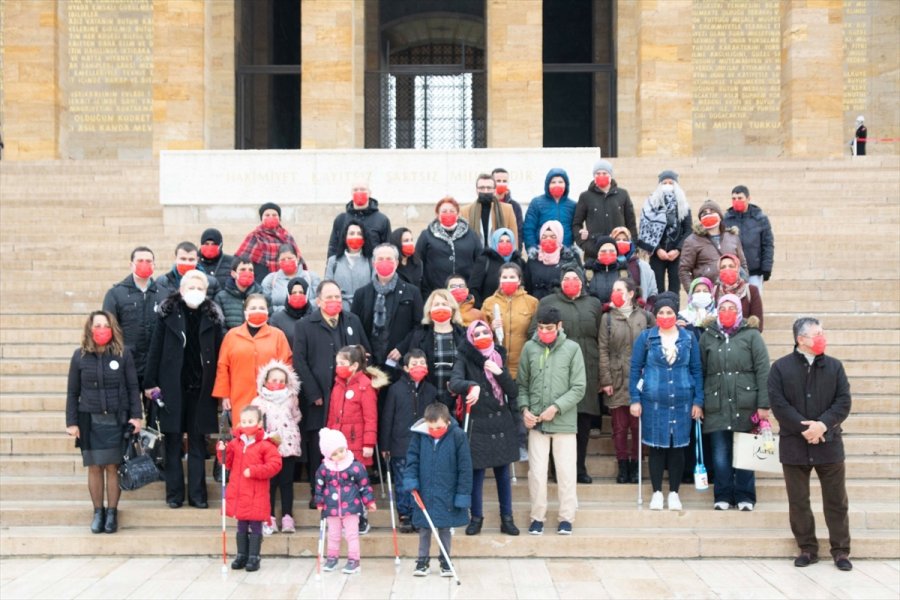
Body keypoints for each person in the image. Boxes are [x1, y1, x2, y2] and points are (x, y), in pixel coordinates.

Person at [768, 317, 853, 571]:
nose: (822, 338)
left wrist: (822, 425)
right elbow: (778, 404)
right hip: (794, 444)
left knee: (836, 501)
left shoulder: (835, 367)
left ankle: (841, 551)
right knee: (798, 501)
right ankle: (807, 548)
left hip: (829, 442)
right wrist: (804, 428)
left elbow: (843, 401)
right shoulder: (780, 368)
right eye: (817, 334)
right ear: (801, 339)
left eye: (822, 333)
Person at [144, 270, 225, 509]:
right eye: (191, 287)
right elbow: (155, 349)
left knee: (198, 443)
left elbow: (219, 354)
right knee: (173, 442)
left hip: (201, 390)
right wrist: (149, 382)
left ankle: (198, 495)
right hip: (172, 388)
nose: (195, 291)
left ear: (206, 291)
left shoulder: (213, 317)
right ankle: (174, 494)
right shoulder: (167, 314)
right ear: (181, 290)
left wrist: (220, 389)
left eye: (200, 288)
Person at [292, 280, 371, 508]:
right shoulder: (305, 325)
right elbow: (300, 361)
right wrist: (313, 392)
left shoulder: (352, 320)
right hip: (319, 397)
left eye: (337, 297)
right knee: (319, 445)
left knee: (345, 443)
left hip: (349, 397)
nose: (334, 301)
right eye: (329, 297)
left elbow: (365, 353)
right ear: (318, 301)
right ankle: (318, 492)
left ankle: (348, 490)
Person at [65, 311, 143, 534]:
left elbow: (133, 387)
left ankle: (112, 513)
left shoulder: (123, 354)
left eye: (105, 325)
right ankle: (98, 512)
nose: (101, 330)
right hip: (89, 420)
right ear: (90, 329)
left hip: (117, 419)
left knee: (112, 467)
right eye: (97, 325)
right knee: (94, 467)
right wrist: (71, 422)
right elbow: (73, 392)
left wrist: (136, 416)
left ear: (112, 329)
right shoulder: (79, 356)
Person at [629, 291, 704, 511]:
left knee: (677, 448)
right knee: (656, 447)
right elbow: (635, 369)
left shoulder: (688, 338)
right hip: (653, 401)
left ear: (676, 313)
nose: (665, 316)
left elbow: (697, 369)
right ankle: (656, 493)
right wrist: (635, 399)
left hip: (682, 401)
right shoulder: (646, 338)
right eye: (661, 312)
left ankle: (674, 493)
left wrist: (698, 401)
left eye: (669, 312)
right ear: (655, 315)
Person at [517, 305, 585, 535]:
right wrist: (525, 409)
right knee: (536, 474)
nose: (544, 332)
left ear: (559, 326)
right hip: (537, 423)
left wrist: (556, 407)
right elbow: (522, 384)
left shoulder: (572, 349)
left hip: (564, 423)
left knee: (566, 473)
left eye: (549, 328)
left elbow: (579, 387)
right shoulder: (529, 348)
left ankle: (566, 518)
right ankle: (537, 517)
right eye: (540, 327)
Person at [532, 267, 603, 484]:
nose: (571, 281)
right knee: (558, 418)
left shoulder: (594, 304)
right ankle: (556, 469)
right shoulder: (548, 302)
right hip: (557, 369)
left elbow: (601, 336)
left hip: (588, 367)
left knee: (583, 421)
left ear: (582, 281)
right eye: (567, 278)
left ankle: (579, 469)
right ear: (560, 282)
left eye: (575, 278)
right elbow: (535, 333)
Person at [449, 320, 520, 537]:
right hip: (478, 424)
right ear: (470, 338)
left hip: (501, 422)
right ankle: (476, 518)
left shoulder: (499, 355)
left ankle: (507, 519)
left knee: (503, 475)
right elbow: (454, 382)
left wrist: (499, 372)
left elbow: (512, 391)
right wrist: (473, 385)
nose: (481, 336)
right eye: (476, 334)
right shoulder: (463, 356)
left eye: (485, 332)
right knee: (476, 475)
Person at [700, 295, 770, 511]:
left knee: (746, 454)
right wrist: (699, 402)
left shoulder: (752, 335)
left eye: (732, 307)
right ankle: (722, 495)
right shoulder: (707, 336)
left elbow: (763, 369)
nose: (727, 312)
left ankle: (745, 496)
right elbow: (700, 370)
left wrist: (764, 404)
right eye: (723, 308)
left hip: (746, 403)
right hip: (716, 403)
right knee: (720, 454)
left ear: (739, 310)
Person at [404, 402, 473, 577]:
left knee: (444, 527)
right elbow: (412, 460)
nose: (435, 431)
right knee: (424, 527)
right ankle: (422, 561)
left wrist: (462, 494)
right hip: (425, 491)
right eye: (431, 427)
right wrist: (411, 480)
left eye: (439, 427)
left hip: (447, 491)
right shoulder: (419, 436)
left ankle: (445, 560)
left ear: (448, 422)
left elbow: (465, 468)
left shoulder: (458, 436)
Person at [599, 278, 655, 485]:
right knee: (619, 428)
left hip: (641, 379)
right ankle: (623, 465)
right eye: (614, 289)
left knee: (638, 426)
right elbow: (603, 350)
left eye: (620, 289)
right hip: (616, 378)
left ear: (631, 293)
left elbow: (654, 346)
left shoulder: (646, 316)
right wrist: (605, 379)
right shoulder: (607, 318)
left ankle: (637, 464)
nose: (615, 293)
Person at [327, 345, 387, 534]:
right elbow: (332, 415)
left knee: (355, 482)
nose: (338, 366)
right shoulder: (338, 384)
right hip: (339, 444)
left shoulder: (365, 386)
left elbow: (371, 418)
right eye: (337, 363)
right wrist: (328, 439)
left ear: (353, 365)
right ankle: (344, 517)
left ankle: (361, 517)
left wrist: (368, 443)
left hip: (357, 443)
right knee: (339, 482)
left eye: (342, 363)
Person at [212, 293, 292, 430]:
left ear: (267, 311)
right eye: (253, 308)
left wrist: (283, 392)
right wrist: (224, 395)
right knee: (242, 434)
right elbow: (223, 366)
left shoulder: (278, 335)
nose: (257, 311)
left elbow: (286, 365)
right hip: (239, 396)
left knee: (269, 436)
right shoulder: (232, 336)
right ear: (245, 311)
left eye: (261, 308)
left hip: (272, 398)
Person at [380, 349, 438, 534]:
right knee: (403, 481)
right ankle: (404, 514)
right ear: (405, 368)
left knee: (422, 480)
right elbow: (387, 417)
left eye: (422, 363)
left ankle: (418, 514)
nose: (418, 367)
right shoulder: (395, 389)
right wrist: (385, 445)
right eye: (414, 364)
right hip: (399, 444)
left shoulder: (431, 390)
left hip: (425, 444)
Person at [219, 405, 282, 572]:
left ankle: (254, 556)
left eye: (251, 421)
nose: (247, 425)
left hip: (256, 493)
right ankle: (241, 554)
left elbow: (275, 464)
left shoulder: (266, 444)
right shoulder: (235, 443)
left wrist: (254, 471)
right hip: (239, 492)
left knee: (255, 524)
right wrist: (222, 451)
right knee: (241, 524)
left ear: (259, 423)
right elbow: (227, 463)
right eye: (244, 421)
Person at [350, 243, 423, 370]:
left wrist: (402, 348)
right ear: (374, 263)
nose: (385, 262)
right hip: (369, 362)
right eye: (380, 259)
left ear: (397, 262)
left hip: (400, 362)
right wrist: (360, 350)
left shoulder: (412, 292)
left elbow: (419, 326)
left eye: (389, 259)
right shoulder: (361, 294)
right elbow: (354, 326)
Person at [315, 428, 377, 575]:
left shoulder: (355, 466)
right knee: (333, 534)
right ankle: (332, 557)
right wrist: (319, 501)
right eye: (334, 454)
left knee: (352, 534)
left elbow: (364, 485)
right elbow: (319, 486)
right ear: (328, 455)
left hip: (351, 507)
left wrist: (369, 501)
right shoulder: (324, 468)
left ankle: (354, 560)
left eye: (341, 450)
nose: (339, 455)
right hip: (331, 508)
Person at [250, 360, 302, 535]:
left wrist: (289, 431)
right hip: (268, 449)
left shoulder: (291, 399)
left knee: (286, 483)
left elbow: (296, 416)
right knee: (270, 484)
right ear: (265, 381)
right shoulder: (258, 401)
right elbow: (254, 423)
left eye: (281, 381)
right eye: (274, 380)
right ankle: (269, 516)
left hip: (288, 446)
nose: (278, 384)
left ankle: (287, 517)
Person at [102, 246, 163, 394]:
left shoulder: (164, 294)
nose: (144, 264)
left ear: (154, 265)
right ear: (131, 265)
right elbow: (109, 329)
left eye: (148, 261)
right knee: (129, 409)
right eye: (140, 261)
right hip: (127, 366)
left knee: (157, 408)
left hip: (156, 368)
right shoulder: (115, 294)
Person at [396, 289, 467, 410]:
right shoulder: (419, 336)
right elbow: (412, 366)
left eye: (444, 304)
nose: (440, 307)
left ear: (453, 309)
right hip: (428, 397)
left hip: (458, 397)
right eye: (436, 304)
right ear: (429, 311)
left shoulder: (464, 335)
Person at [637, 170, 692, 294]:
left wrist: (678, 250)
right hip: (657, 253)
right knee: (657, 288)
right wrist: (657, 249)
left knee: (675, 289)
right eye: (664, 183)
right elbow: (646, 228)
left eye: (671, 183)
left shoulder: (683, 205)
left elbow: (688, 230)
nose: (667, 185)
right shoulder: (651, 204)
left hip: (676, 254)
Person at [481, 263, 539, 380]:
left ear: (519, 280)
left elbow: (536, 333)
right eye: (504, 277)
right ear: (499, 280)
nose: (508, 280)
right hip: (496, 365)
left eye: (512, 277)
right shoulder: (489, 302)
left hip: (523, 365)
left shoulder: (532, 302)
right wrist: (490, 328)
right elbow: (479, 331)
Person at [416, 197, 482, 296]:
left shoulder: (471, 235)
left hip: (465, 293)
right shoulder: (426, 235)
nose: (448, 214)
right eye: (444, 211)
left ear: (458, 214)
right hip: (436, 293)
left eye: (452, 211)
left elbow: (479, 261)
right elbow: (418, 261)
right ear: (437, 215)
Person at [678, 199, 748, 293]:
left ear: (720, 216)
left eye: (712, 211)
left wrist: (743, 285)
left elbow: (742, 264)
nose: (708, 214)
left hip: (733, 293)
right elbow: (684, 270)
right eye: (704, 213)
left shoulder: (732, 237)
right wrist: (694, 293)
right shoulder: (692, 241)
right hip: (707, 293)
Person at [573, 159, 637, 256]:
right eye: (598, 173)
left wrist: (632, 245)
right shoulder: (585, 196)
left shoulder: (623, 194)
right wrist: (584, 245)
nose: (601, 176)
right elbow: (576, 224)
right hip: (594, 252)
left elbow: (631, 223)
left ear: (610, 175)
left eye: (604, 173)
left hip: (619, 252)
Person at [723, 186, 774, 293]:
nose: (736, 201)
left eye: (740, 198)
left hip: (754, 272)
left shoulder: (760, 219)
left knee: (753, 300)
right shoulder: (726, 219)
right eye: (734, 198)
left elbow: (767, 244)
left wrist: (766, 268)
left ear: (748, 198)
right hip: (732, 272)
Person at [235, 202, 301, 284]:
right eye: (267, 215)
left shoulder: (287, 236)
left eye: (274, 215)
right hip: (260, 281)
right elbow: (239, 260)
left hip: (285, 280)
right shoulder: (254, 236)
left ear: (279, 218)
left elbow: (298, 260)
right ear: (261, 218)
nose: (271, 217)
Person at [327, 182, 392, 258]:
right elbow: (333, 247)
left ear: (369, 193)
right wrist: (330, 264)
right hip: (345, 264)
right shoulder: (341, 219)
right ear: (351, 193)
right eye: (355, 190)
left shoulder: (382, 220)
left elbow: (388, 247)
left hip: (372, 264)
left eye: (363, 189)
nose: (359, 192)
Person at [524, 220, 581, 300]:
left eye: (553, 237)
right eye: (544, 237)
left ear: (559, 237)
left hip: (562, 302)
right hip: (538, 303)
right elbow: (527, 286)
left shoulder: (570, 258)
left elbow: (580, 283)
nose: (548, 239)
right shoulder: (533, 259)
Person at [523, 167, 577, 252]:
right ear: (547, 185)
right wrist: (532, 248)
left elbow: (576, 227)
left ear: (566, 185)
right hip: (542, 252)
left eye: (560, 182)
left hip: (565, 252)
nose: (557, 185)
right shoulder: (536, 203)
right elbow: (529, 228)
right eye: (553, 182)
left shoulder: (572, 205)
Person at [469, 227, 526, 305]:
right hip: (489, 308)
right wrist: (480, 307)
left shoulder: (519, 262)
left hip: (516, 308)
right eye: (501, 241)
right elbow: (474, 287)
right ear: (495, 242)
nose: (505, 244)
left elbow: (526, 287)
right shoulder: (485, 261)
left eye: (508, 241)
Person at [325, 219, 373, 312]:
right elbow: (327, 287)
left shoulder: (371, 261)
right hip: (340, 310)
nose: (355, 236)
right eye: (351, 233)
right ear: (345, 237)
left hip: (364, 309)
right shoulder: (333, 261)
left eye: (359, 234)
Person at [462, 173, 518, 248]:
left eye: (489, 188)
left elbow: (513, 238)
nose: (485, 191)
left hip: (499, 254)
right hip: (475, 254)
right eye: (482, 188)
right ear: (476, 190)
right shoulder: (465, 211)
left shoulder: (507, 209)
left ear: (494, 190)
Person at [261, 243, 319, 311]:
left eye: (290, 258)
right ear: (278, 261)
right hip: (280, 316)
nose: (287, 261)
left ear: (297, 258)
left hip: (308, 316)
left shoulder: (311, 277)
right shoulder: (270, 280)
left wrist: (302, 309)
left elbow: (319, 301)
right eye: (283, 259)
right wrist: (287, 310)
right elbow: (266, 305)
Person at [214, 256, 268, 330]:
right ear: (233, 274)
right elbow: (219, 326)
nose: (247, 273)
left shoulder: (263, 297)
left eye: (250, 270)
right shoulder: (221, 298)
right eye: (243, 269)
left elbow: (268, 324)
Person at [714, 253, 764, 331]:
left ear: (737, 268)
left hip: (745, 336)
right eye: (723, 267)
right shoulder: (715, 291)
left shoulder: (751, 290)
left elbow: (757, 323)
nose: (727, 269)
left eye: (731, 266)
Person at [610, 226, 658, 307]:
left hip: (638, 310)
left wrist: (646, 309)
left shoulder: (643, 266)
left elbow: (652, 292)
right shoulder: (607, 266)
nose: (621, 242)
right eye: (617, 240)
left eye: (625, 240)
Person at [155, 241, 219, 300]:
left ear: (197, 260)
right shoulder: (163, 281)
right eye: (183, 259)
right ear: (175, 258)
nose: (187, 262)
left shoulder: (211, 282)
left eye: (191, 259)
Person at [268, 276, 312, 348]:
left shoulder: (315, 317)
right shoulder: (277, 319)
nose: (297, 295)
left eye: (301, 292)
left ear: (306, 294)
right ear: (288, 294)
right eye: (294, 292)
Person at [492, 168, 524, 249]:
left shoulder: (515, 206)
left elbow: (519, 231)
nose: (501, 184)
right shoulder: (487, 204)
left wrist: (516, 250)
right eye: (498, 181)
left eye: (504, 181)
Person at [586, 235, 620, 304]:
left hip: (617, 309)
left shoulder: (623, 271)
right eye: (603, 251)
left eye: (611, 251)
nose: (608, 253)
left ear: (616, 253)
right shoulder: (588, 271)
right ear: (597, 253)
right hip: (594, 309)